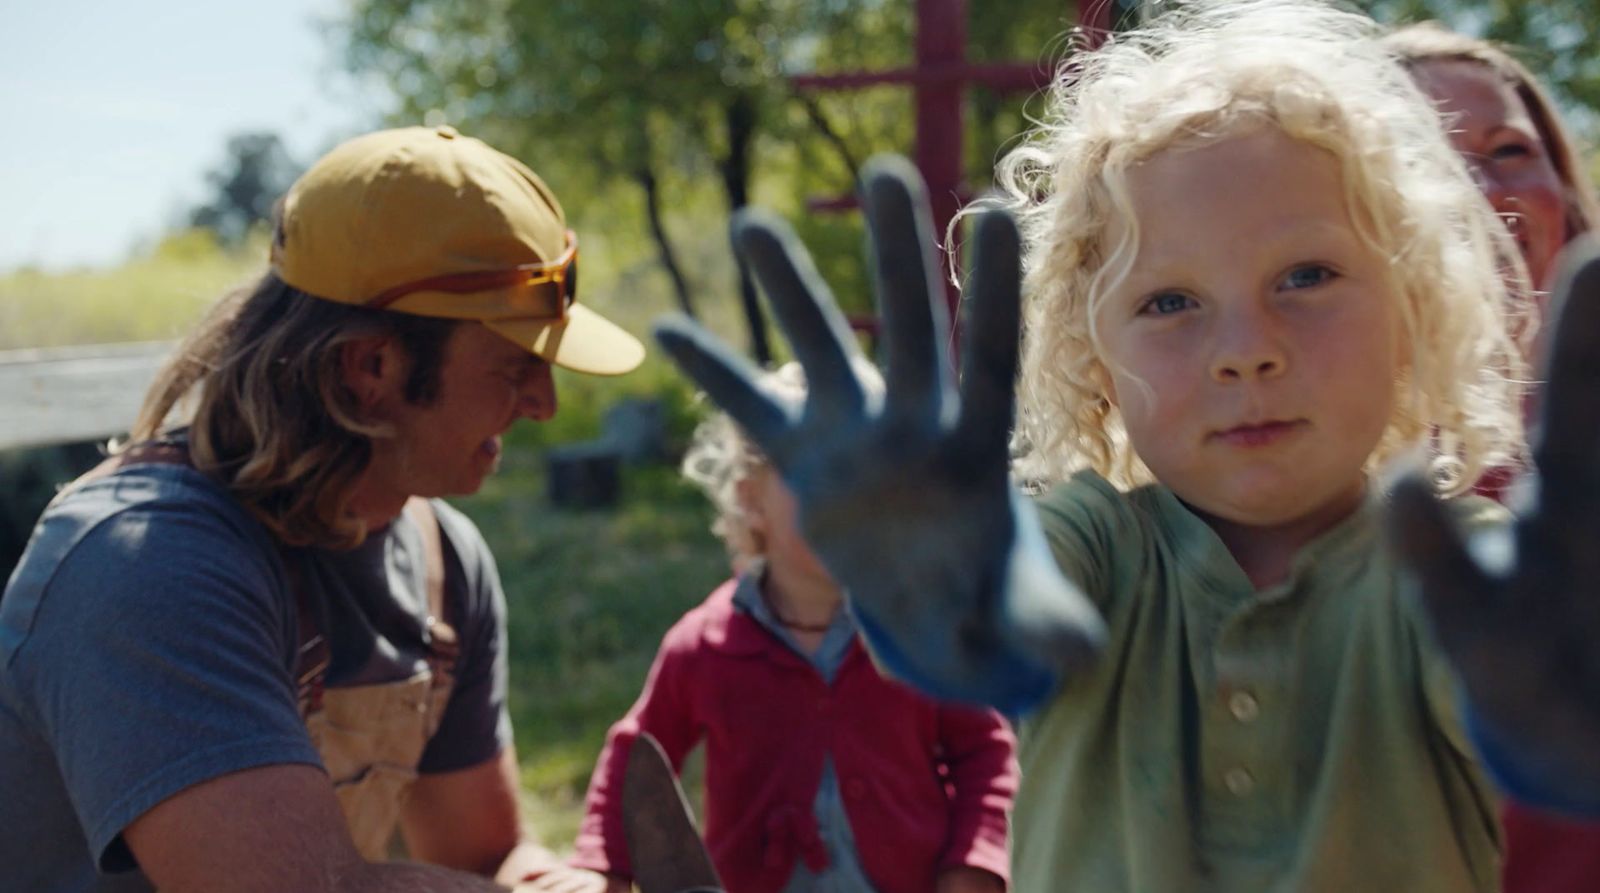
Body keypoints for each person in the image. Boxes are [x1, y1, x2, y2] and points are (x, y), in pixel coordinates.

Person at [647, 0, 1600, 888]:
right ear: (1094, 358)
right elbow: (1015, 606)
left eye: (1306, 274)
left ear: (1412, 309)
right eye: (1170, 302)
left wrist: (1550, 703)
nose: (1245, 351)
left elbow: (1532, 694)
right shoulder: (1099, 542)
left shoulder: (1451, 562)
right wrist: (971, 593)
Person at [0, 125, 646, 892]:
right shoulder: (143, 567)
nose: (545, 403)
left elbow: (482, 855)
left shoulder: (444, 565)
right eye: (514, 368)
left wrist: (547, 881)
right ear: (371, 366)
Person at [547, 361, 1017, 893]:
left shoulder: (921, 628)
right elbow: (637, 751)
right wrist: (601, 867)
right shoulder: (706, 646)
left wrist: (972, 864)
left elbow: (984, 753)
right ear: (752, 500)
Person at [1386, 21, 1600, 893]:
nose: (1476, 187)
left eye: (1509, 149)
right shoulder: (1276, 451)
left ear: (1568, 200)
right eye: (1420, 155)